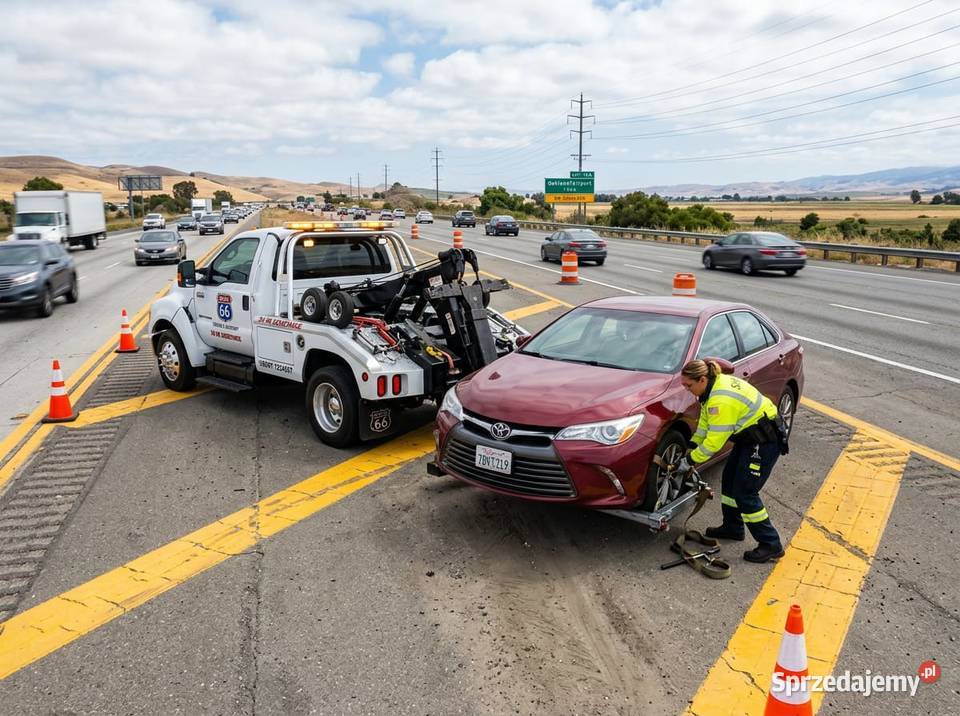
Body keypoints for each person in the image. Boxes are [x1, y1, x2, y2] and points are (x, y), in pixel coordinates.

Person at [677, 359, 785, 563]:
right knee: (729, 481)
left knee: (745, 493)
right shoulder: (711, 388)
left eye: (689, 385)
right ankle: (733, 527)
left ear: (701, 379)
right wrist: (692, 446)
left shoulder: (721, 400)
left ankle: (771, 544)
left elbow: (714, 443)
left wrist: (690, 460)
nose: (687, 390)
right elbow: (705, 425)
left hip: (764, 442)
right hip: (750, 439)